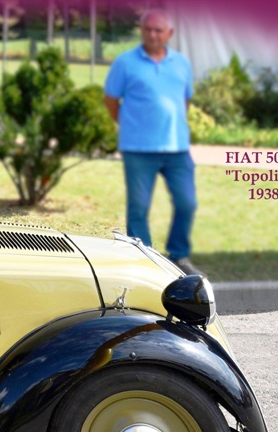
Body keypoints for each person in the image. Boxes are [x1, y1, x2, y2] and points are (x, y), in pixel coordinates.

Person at [103, 9, 202, 276]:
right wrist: (131, 126)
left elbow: (185, 100)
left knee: (187, 203)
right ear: (141, 30)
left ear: (169, 33)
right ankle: (143, 262)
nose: (153, 35)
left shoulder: (181, 63)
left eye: (159, 30)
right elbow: (111, 100)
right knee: (138, 208)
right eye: (148, 29)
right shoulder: (125, 63)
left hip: (177, 148)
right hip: (138, 149)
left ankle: (178, 256)